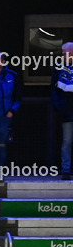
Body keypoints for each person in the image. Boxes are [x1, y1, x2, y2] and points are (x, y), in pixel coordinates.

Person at [51, 42, 73, 178]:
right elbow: (54, 88)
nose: (65, 55)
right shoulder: (59, 68)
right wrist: (59, 106)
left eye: (68, 53)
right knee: (67, 141)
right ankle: (66, 169)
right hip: (67, 110)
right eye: (64, 53)